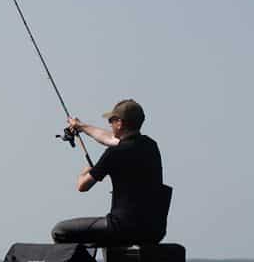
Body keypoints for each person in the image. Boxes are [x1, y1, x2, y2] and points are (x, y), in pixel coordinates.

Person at [51, 98, 168, 246]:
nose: (110, 125)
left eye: (111, 121)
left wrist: (84, 172)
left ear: (119, 123)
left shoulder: (114, 153)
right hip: (152, 230)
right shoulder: (150, 146)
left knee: (60, 231)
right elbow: (109, 138)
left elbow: (82, 186)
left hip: (120, 228)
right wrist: (81, 127)